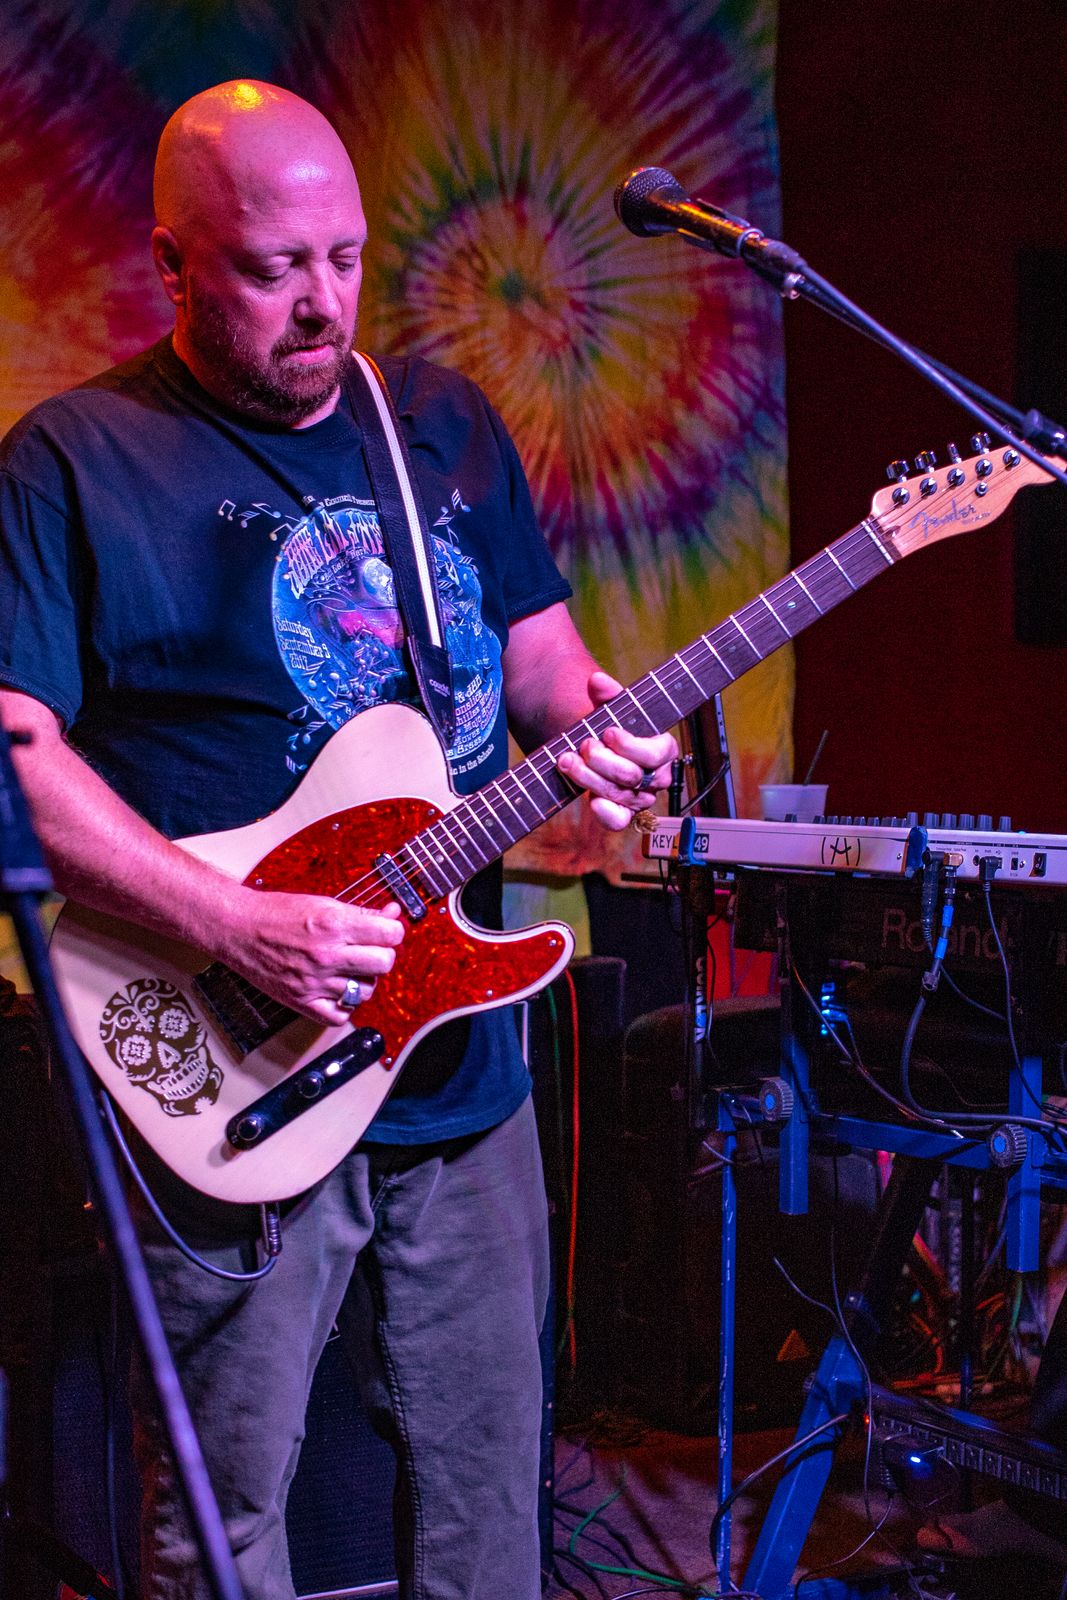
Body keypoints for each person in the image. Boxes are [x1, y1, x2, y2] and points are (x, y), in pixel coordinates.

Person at [0, 81, 677, 1600]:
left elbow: (549, 677)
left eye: (346, 258)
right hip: (229, 1055)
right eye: (271, 269)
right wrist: (234, 927)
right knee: (219, 1518)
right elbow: (16, 761)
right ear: (172, 265)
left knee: (490, 1497)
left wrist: (611, 738)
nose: (322, 303)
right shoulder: (73, 462)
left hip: (457, 1061)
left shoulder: (442, 426)